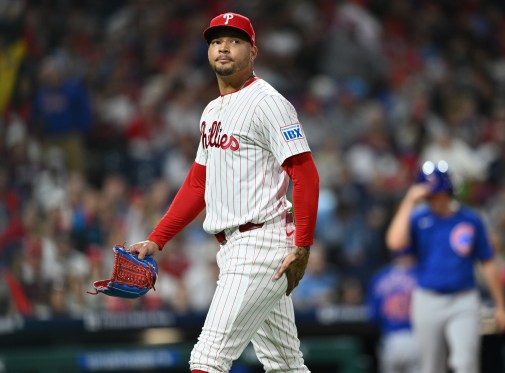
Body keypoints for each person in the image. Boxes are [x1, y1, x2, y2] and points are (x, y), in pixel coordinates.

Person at [129, 12, 319, 373]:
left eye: (234, 41)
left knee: (207, 358)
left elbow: (306, 174)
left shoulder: (268, 102)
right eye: (217, 41)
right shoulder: (212, 111)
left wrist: (304, 246)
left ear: (253, 51)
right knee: (285, 365)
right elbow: (199, 184)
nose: (224, 48)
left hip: (262, 244)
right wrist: (157, 239)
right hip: (234, 248)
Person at [385, 160, 505, 373]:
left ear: (448, 191)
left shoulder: (470, 219)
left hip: (464, 299)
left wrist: (500, 306)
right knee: (430, 367)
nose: (434, 199)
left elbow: (488, 261)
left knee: (466, 364)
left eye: (438, 193)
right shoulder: (418, 217)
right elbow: (394, 243)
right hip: (427, 299)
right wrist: (409, 200)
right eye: (429, 195)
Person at [366, 247, 420, 373]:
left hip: (390, 340)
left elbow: (373, 316)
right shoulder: (420, 274)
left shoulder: (380, 277)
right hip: (416, 338)